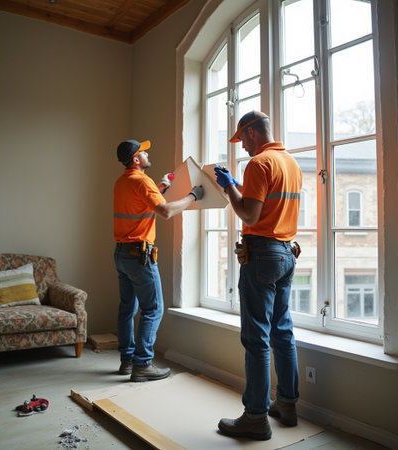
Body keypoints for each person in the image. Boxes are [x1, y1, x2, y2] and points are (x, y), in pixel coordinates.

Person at [214, 111, 302, 440]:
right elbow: (267, 205)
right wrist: (237, 186)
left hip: (262, 254)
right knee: (282, 331)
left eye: (243, 140)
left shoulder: (258, 164)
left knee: (256, 339)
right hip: (285, 252)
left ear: (251, 133)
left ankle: (255, 418)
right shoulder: (290, 163)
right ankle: (287, 405)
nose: (244, 148)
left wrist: (227, 189)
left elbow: (249, 214)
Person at [114, 139, 203, 382]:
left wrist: (163, 185)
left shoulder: (123, 181)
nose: (148, 153)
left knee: (127, 309)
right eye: (143, 152)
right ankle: (142, 365)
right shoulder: (142, 181)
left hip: (122, 254)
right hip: (138, 256)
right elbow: (164, 211)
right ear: (136, 159)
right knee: (153, 309)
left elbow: (144, 202)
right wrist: (192, 196)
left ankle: (127, 360)